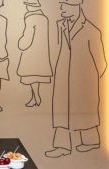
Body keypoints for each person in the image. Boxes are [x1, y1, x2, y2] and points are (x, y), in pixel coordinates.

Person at [45, 0, 107, 158]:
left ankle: (91, 142)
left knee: (85, 111)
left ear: (75, 5)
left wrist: (88, 80)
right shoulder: (60, 26)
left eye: (64, 4)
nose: (61, 8)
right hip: (62, 78)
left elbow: (102, 63)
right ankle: (62, 146)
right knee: (61, 111)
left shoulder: (92, 30)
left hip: (84, 82)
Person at [17, 0, 52, 107]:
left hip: (30, 53)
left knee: (31, 76)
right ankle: (34, 97)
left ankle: (36, 96)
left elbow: (26, 38)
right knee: (35, 77)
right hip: (41, 52)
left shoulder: (31, 18)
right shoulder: (44, 18)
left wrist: (20, 43)